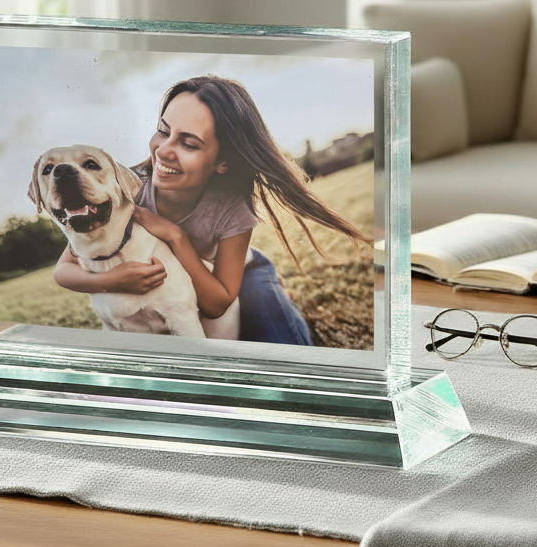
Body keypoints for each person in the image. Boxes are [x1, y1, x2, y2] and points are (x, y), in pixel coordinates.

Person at [53, 75, 369, 345]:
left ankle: (279, 295)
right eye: (163, 131)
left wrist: (176, 237)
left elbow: (216, 304)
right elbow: (64, 269)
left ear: (223, 163)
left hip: (238, 274)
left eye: (189, 144)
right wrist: (112, 280)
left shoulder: (232, 206)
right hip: (179, 288)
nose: (164, 150)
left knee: (284, 349)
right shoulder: (124, 189)